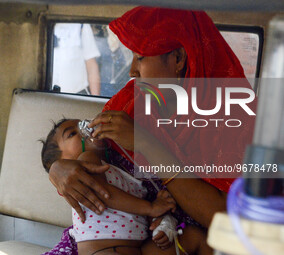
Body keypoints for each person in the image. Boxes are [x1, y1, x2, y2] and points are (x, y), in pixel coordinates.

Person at [45, 6, 256, 255]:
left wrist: (147, 145)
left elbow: (226, 218)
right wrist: (58, 170)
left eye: (140, 57)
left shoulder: (233, 119)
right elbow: (93, 158)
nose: (133, 71)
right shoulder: (129, 103)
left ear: (178, 58)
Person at [41, 118, 212, 255]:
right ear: (64, 162)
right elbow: (105, 194)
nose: (85, 128)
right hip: (104, 251)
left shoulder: (117, 170)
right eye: (72, 133)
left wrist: (161, 224)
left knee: (195, 237)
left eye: (82, 123)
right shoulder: (87, 162)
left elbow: (131, 212)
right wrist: (151, 208)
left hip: (136, 248)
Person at [53, 23, 101, 95]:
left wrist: (96, 100)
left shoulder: (81, 25)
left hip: (78, 96)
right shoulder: (42, 24)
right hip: (48, 98)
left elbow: (91, 65)